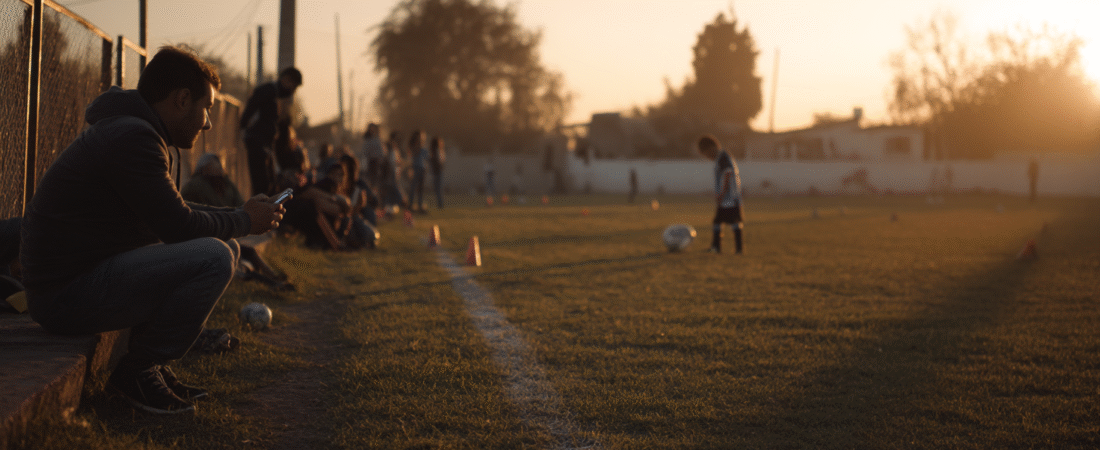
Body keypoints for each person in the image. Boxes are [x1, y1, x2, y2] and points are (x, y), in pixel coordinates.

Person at [20, 47, 285, 415]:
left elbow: (174, 213)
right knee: (215, 256)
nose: (208, 122)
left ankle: (148, 367)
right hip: (64, 296)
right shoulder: (133, 138)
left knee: (224, 248)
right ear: (181, 100)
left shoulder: (135, 131)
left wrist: (240, 215)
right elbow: (178, 225)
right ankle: (136, 372)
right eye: (206, 107)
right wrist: (243, 221)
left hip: (76, 283)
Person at [181, 154, 294, 291]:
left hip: (224, 230)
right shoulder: (196, 185)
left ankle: (273, 277)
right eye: (213, 166)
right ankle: (270, 282)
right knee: (236, 257)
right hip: (206, 233)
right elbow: (188, 212)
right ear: (204, 169)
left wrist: (253, 211)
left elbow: (241, 206)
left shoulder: (227, 185)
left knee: (246, 252)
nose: (218, 169)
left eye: (218, 165)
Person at [239, 66, 302, 196]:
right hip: (257, 144)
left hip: (265, 145)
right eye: (293, 86)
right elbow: (249, 112)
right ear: (286, 80)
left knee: (270, 185)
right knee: (262, 186)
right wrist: (244, 128)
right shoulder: (268, 91)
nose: (293, 91)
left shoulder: (276, 95)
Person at [697, 135, 743, 254]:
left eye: (706, 154)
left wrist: (722, 193)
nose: (707, 157)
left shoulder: (723, 157)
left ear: (711, 148)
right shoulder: (721, 158)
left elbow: (728, 174)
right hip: (727, 198)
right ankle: (717, 247)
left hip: (730, 198)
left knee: (732, 222)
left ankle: (736, 248)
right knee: (720, 221)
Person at [408, 130, 429, 213]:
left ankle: (420, 204)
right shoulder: (414, 146)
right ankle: (410, 204)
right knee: (413, 187)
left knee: (421, 188)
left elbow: (427, 156)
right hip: (415, 168)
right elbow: (412, 156)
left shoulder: (423, 146)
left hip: (422, 169)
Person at [361, 123, 385, 190]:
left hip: (378, 162)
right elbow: (365, 152)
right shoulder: (367, 140)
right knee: (371, 180)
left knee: (377, 181)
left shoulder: (378, 139)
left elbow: (381, 152)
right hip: (371, 162)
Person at [429, 136, 446, 209]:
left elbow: (441, 161)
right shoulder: (436, 151)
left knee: (438, 188)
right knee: (437, 188)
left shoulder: (439, 151)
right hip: (436, 171)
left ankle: (440, 203)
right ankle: (440, 203)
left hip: (438, 171)